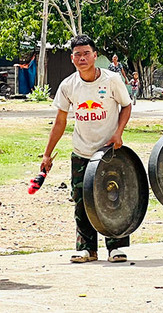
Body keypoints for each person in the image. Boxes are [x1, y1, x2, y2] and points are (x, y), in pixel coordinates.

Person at [40, 35, 133, 263]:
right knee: (81, 199)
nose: (82, 58)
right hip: (82, 152)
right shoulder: (68, 85)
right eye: (77, 54)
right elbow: (60, 121)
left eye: (86, 53)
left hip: (110, 150)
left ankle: (115, 247)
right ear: (72, 58)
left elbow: (126, 106)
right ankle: (87, 249)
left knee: (113, 196)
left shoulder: (111, 80)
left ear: (94, 56)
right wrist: (47, 153)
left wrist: (118, 132)